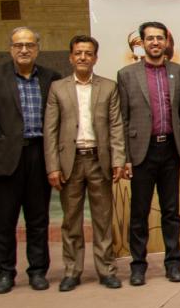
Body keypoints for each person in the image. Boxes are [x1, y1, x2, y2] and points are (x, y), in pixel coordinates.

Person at [0, 27, 61, 293]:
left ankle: (38, 271)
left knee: (38, 219)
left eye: (29, 45)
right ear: (10, 48)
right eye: (18, 45)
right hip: (4, 159)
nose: (24, 50)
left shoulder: (51, 78)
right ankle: (5, 272)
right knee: (4, 220)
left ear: (38, 49)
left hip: (39, 156)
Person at [43, 35, 126, 291]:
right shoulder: (58, 88)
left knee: (103, 219)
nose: (83, 57)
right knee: (71, 220)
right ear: (71, 57)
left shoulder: (108, 87)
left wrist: (118, 159)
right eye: (78, 53)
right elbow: (50, 130)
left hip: (99, 160)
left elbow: (116, 126)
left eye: (88, 53)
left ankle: (107, 270)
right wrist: (53, 166)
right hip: (70, 162)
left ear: (95, 58)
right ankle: (72, 271)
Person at [117, 21, 180, 286]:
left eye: (160, 38)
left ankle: (174, 264)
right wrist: (125, 157)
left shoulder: (179, 72)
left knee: (171, 211)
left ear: (166, 42)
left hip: (170, 149)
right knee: (139, 212)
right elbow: (122, 118)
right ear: (142, 42)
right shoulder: (127, 75)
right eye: (150, 38)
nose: (155, 43)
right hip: (141, 152)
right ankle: (138, 266)